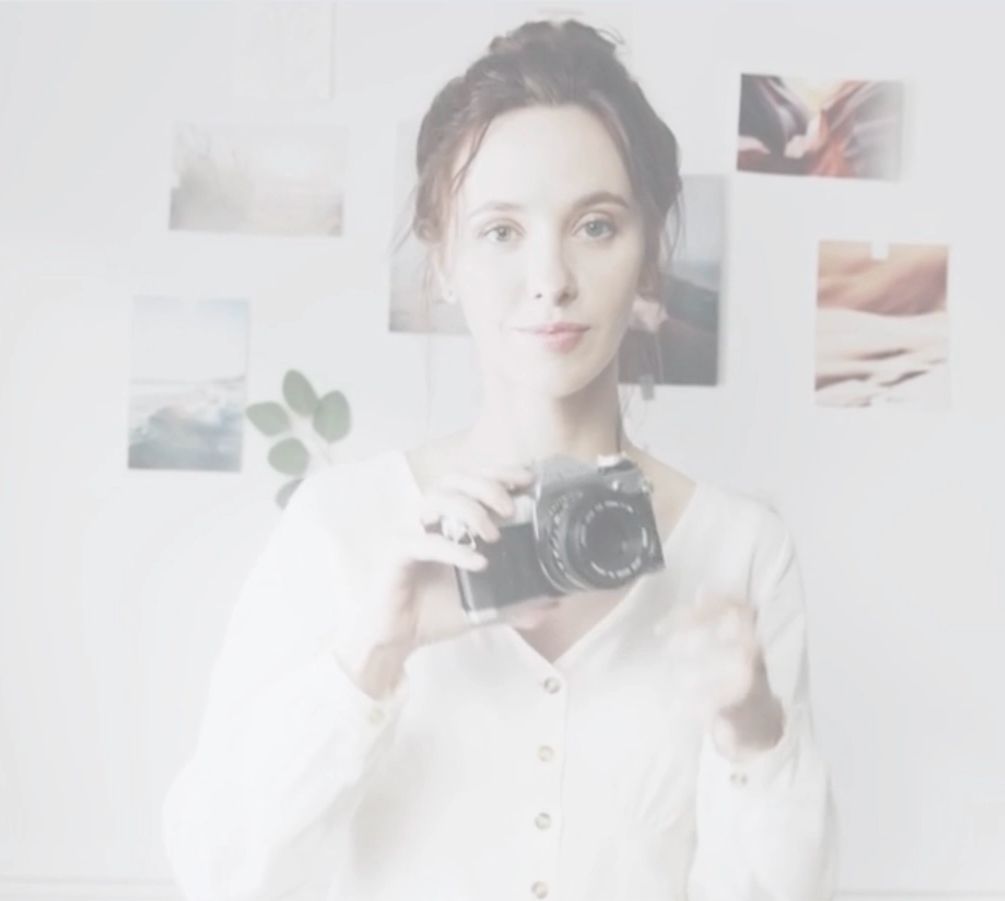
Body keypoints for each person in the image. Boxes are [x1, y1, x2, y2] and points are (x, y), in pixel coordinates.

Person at [162, 21, 840, 901]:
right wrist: (370, 654)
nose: (550, 277)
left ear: (648, 262)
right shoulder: (341, 526)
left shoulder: (741, 550)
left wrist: (755, 735)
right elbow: (215, 869)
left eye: (596, 225)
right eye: (499, 232)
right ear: (441, 259)